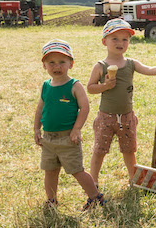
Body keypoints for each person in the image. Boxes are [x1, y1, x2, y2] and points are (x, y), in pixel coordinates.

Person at [87, 18, 156, 186]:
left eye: (125, 39)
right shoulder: (100, 66)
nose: (120, 43)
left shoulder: (131, 64)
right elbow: (90, 88)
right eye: (115, 39)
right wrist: (105, 86)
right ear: (104, 42)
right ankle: (93, 181)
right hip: (106, 117)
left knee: (129, 150)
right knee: (99, 150)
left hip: (126, 117)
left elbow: (149, 70)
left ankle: (133, 179)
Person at [34, 39, 105, 211]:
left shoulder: (74, 85)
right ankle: (51, 200)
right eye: (51, 62)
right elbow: (40, 107)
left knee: (77, 171)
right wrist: (36, 128)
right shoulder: (46, 86)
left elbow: (85, 107)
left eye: (62, 62)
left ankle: (95, 197)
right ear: (44, 65)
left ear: (71, 64)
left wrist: (77, 129)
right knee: (50, 171)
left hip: (68, 138)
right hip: (48, 139)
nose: (56, 66)